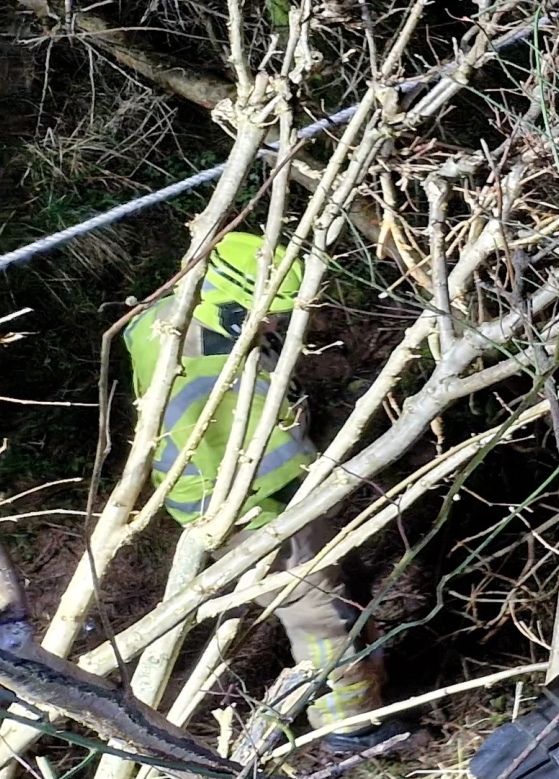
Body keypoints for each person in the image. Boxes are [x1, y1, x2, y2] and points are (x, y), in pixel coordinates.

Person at [121, 232, 400, 746]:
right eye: (271, 312)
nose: (280, 324)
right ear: (237, 303)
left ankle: (362, 683)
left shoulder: (164, 320)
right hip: (253, 506)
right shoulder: (222, 357)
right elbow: (272, 437)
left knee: (334, 588)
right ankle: (349, 726)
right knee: (321, 613)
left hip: (232, 495)